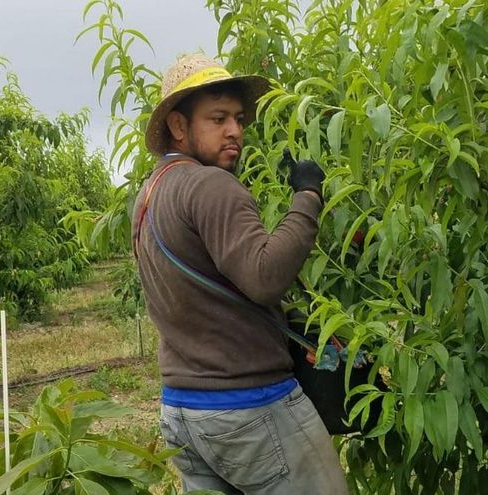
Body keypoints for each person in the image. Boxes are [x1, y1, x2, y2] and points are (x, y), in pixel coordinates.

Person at [131, 53, 349, 495]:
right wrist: (307, 196)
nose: (235, 131)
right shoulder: (209, 185)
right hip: (250, 409)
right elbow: (264, 276)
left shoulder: (149, 197)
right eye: (217, 118)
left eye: (238, 118)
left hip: (184, 412)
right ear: (178, 125)